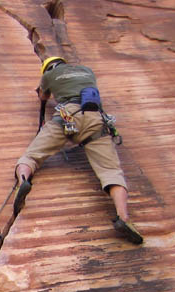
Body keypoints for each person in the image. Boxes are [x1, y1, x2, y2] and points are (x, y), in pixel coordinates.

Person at [14, 56, 144, 245]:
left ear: (47, 67)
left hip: (67, 117)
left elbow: (43, 96)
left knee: (31, 156)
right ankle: (123, 218)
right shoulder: (86, 70)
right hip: (94, 118)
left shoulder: (50, 75)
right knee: (111, 172)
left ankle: (22, 181)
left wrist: (44, 87)